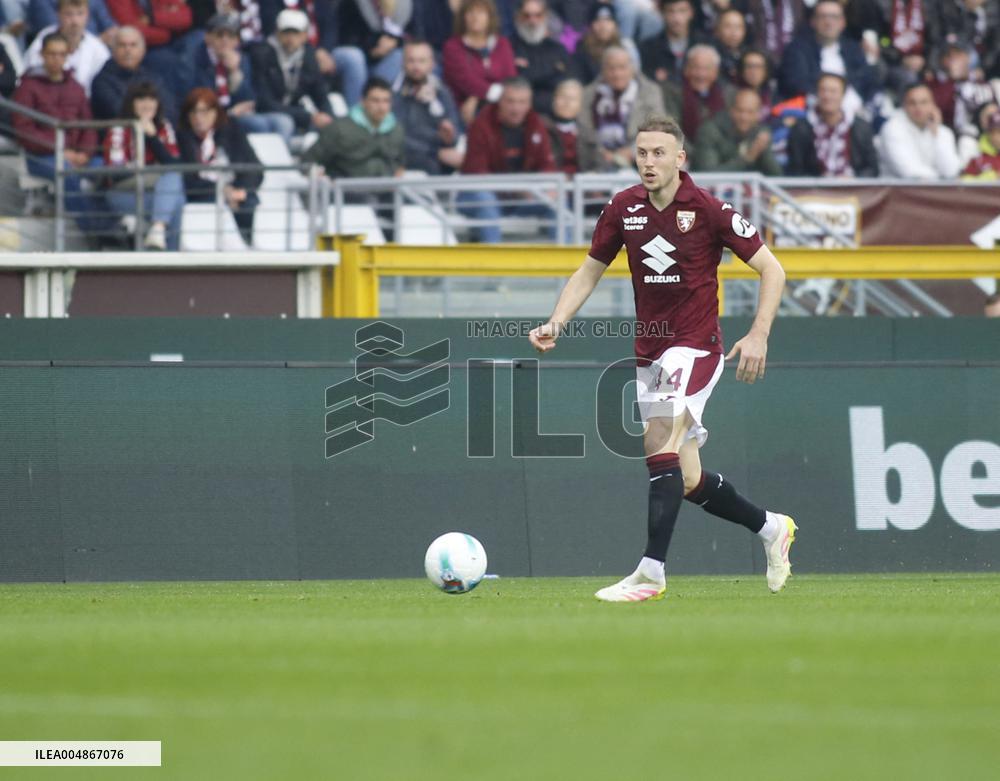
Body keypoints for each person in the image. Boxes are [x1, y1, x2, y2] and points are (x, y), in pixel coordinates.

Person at [528, 113, 795, 602]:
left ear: (680, 158)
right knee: (686, 478)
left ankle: (651, 572)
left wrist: (758, 334)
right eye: (642, 152)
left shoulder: (710, 209)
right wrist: (556, 321)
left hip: (696, 346)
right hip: (649, 351)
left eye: (658, 153)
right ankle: (770, 527)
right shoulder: (623, 207)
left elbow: (772, 269)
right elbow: (589, 271)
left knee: (656, 438)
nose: (648, 162)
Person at [13, 31, 107, 235]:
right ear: (42, 55)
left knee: (107, 169)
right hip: (39, 156)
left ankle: (109, 223)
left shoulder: (76, 87)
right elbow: (24, 129)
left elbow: (87, 125)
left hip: (75, 155)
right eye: (52, 54)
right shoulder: (27, 87)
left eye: (61, 54)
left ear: (68, 55)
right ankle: (95, 231)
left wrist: (85, 153)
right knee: (67, 173)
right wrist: (61, 151)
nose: (57, 59)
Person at [458, 76, 560, 243]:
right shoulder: (481, 125)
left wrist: (549, 190)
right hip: (478, 194)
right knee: (486, 202)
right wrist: (520, 189)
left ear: (529, 103)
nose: (516, 108)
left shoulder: (536, 124)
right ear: (500, 102)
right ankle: (495, 265)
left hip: (522, 197)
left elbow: (547, 166)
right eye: (510, 102)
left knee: (559, 203)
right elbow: (477, 175)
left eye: (522, 102)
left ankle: (570, 266)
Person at [102, 79, 184, 249]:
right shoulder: (119, 127)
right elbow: (116, 172)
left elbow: (173, 162)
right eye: (141, 99)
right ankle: (171, 260)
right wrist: (151, 171)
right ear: (131, 104)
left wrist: (152, 137)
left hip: (155, 193)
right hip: (124, 194)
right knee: (174, 195)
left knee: (175, 197)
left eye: (151, 99)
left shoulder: (163, 127)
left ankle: (157, 231)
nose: (147, 104)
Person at [189, 12, 295, 142]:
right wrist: (229, 112)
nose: (225, 40)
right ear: (208, 37)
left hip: (240, 114)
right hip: (215, 117)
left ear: (237, 40)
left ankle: (279, 161)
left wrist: (235, 72)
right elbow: (201, 97)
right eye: (220, 35)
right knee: (258, 125)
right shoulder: (197, 60)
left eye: (230, 35)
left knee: (284, 122)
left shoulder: (242, 59)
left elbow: (249, 98)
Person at [177, 86, 263, 244]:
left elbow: (255, 169)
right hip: (202, 194)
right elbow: (187, 179)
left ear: (215, 112)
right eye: (194, 112)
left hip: (236, 191)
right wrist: (222, 190)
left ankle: (248, 246)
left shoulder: (232, 131)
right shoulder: (182, 138)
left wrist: (237, 190)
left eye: (204, 111)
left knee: (249, 200)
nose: (198, 117)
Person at [249, 8, 335, 137]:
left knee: (328, 124)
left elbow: (320, 92)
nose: (290, 38)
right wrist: (308, 116)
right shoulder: (262, 54)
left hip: (294, 111)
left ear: (305, 35)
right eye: (286, 32)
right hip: (263, 113)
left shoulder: (308, 56)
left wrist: (328, 116)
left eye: (296, 33)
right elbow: (264, 102)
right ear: (277, 32)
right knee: (284, 123)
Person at [577, 45, 665, 171]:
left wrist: (632, 151)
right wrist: (602, 153)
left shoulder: (650, 92)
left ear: (632, 69)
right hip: (597, 163)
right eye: (611, 68)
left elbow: (658, 130)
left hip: (641, 164)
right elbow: (585, 131)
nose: (617, 74)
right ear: (603, 70)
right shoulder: (588, 95)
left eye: (622, 67)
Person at [777, 0, 879, 104]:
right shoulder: (797, 49)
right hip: (811, 108)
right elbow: (795, 83)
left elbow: (867, 82)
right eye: (823, 17)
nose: (828, 22)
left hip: (854, 109)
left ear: (843, 22)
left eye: (834, 17)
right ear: (813, 21)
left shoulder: (854, 49)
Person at [302, 76, 405, 178]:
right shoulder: (339, 129)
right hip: (346, 190)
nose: (381, 107)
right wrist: (320, 177)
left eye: (386, 101)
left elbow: (400, 163)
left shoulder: (396, 129)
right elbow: (308, 161)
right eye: (375, 100)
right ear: (363, 101)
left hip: (388, 189)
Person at [785, 72, 879, 177]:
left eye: (833, 91)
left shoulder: (861, 127)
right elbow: (795, 170)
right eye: (823, 90)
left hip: (853, 189)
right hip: (814, 190)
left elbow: (872, 169)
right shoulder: (801, 128)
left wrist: (853, 179)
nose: (827, 96)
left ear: (843, 95)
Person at [392, 38, 464, 174]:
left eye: (421, 61)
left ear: (432, 64)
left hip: (440, 153)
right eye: (411, 61)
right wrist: (435, 152)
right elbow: (396, 137)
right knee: (431, 165)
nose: (416, 67)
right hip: (408, 156)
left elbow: (455, 129)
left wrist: (449, 138)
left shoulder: (442, 92)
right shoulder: (393, 93)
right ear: (402, 63)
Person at [442, 0, 517, 125]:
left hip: (499, 106)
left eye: (481, 12)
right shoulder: (453, 47)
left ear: (490, 17)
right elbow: (465, 80)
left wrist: (477, 97)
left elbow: (510, 77)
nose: (475, 17)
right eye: (470, 12)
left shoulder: (502, 44)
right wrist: (490, 92)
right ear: (463, 17)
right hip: (462, 109)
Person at [91, 25, 176, 121]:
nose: (128, 50)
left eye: (133, 45)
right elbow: (119, 112)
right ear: (113, 50)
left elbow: (169, 111)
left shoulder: (154, 78)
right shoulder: (101, 82)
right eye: (122, 45)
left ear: (143, 50)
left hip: (153, 131)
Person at [24, 0, 109, 95]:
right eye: (69, 14)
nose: (75, 21)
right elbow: (32, 71)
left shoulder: (97, 48)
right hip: (46, 98)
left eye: (80, 14)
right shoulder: (44, 38)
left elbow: (103, 85)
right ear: (58, 15)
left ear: (87, 15)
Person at [661, 43, 731, 157]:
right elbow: (673, 129)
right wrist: (695, 155)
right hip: (683, 156)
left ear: (715, 72)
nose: (701, 74)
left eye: (706, 69)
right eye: (696, 68)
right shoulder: (672, 92)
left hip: (721, 157)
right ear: (686, 69)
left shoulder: (728, 94)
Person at [878, 81, 961, 178]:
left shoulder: (944, 132)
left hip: (937, 191)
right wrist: (941, 181)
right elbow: (910, 172)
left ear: (933, 105)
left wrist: (936, 134)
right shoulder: (892, 128)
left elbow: (951, 171)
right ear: (904, 106)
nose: (918, 108)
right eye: (912, 103)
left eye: (924, 102)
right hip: (896, 191)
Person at [693, 87, 781, 173]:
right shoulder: (710, 131)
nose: (744, 117)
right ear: (731, 110)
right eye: (740, 110)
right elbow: (707, 174)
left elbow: (776, 175)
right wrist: (747, 159)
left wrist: (763, 150)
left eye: (750, 112)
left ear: (758, 114)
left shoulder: (761, 132)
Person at [511, 0, 570, 115]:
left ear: (545, 17)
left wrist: (529, 73)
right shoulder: (508, 47)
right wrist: (552, 71)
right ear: (518, 17)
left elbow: (564, 81)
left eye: (538, 15)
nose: (532, 21)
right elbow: (514, 82)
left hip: (554, 112)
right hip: (519, 112)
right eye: (526, 16)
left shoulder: (557, 49)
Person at [335, 0, 412, 87]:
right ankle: (358, 100)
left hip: (384, 57)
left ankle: (380, 96)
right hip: (360, 52)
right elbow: (346, 38)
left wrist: (394, 41)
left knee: (399, 55)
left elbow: (412, 34)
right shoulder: (351, 3)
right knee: (355, 57)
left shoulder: (404, 4)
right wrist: (373, 50)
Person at [638, 0, 708, 85]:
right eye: (671, 11)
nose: (676, 18)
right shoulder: (648, 48)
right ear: (662, 13)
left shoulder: (705, 44)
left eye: (682, 11)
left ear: (691, 13)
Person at [570, 2, 639, 86]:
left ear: (615, 24)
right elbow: (579, 80)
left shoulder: (624, 47)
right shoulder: (582, 49)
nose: (603, 26)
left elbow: (636, 77)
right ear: (591, 25)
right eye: (597, 21)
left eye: (608, 20)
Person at [545, 76, 581, 174]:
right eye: (563, 97)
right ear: (554, 100)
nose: (567, 103)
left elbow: (597, 163)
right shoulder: (542, 128)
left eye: (572, 99)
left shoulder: (588, 131)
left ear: (580, 104)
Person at [960, 102, 1000, 180]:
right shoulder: (978, 158)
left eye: (999, 132)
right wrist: (992, 177)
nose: (996, 137)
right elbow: (964, 181)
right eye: (992, 132)